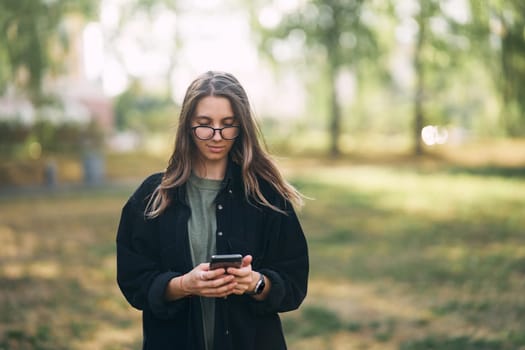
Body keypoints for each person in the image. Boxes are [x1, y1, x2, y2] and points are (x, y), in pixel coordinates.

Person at [116, 71, 309, 350]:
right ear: (187, 126)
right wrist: (184, 285)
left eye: (227, 125)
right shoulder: (151, 197)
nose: (217, 136)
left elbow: (294, 282)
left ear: (241, 127)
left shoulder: (267, 196)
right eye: (205, 124)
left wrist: (255, 283)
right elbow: (133, 280)